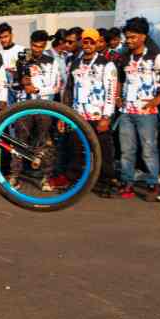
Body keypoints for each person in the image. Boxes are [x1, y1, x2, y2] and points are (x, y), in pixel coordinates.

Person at [116, 16, 160, 200]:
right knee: (127, 151)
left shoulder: (155, 57)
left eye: (132, 37)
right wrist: (117, 97)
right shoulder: (124, 57)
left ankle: (152, 184)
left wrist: (157, 100)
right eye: (127, 37)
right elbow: (120, 80)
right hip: (126, 113)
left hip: (147, 112)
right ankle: (127, 183)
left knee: (149, 150)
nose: (129, 41)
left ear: (143, 36)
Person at [62, 28, 119, 197]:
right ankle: (76, 183)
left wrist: (106, 117)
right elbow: (69, 90)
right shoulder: (75, 63)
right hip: (79, 116)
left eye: (91, 42)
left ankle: (106, 183)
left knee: (103, 152)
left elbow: (111, 92)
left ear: (97, 43)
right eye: (85, 41)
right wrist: (66, 114)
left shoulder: (106, 64)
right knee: (77, 151)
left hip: (98, 116)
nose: (88, 45)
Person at [10, 30, 63, 189]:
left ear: (45, 45)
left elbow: (56, 86)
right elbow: (13, 84)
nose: (37, 49)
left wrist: (37, 90)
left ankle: (46, 178)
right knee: (19, 142)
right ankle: (14, 176)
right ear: (30, 43)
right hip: (24, 108)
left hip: (44, 107)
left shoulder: (51, 61)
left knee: (44, 142)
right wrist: (22, 84)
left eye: (40, 46)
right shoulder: (22, 59)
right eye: (34, 45)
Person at [0, 22, 24, 104]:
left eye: (6, 36)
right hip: (4, 96)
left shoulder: (22, 50)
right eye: (0, 37)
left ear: (12, 35)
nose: (3, 40)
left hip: (20, 93)